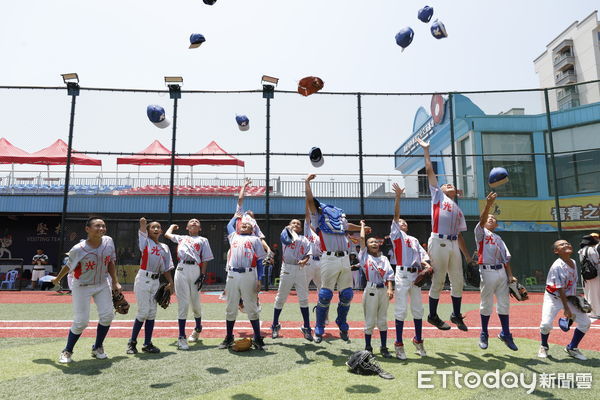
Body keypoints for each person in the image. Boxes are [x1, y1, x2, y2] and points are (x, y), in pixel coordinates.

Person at [416, 138, 472, 331]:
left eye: (451, 185)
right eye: (446, 184)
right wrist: (426, 150)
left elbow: (460, 235)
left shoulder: (458, 210)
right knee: (439, 280)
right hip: (438, 240)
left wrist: (467, 256)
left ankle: (456, 314)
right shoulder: (438, 196)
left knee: (458, 281)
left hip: (453, 244)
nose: (448, 185)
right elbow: (430, 169)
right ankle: (432, 315)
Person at [51, 217, 122, 363]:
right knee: (81, 322)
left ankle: (97, 347)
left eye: (103, 226)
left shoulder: (108, 241)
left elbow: (110, 262)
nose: (101, 228)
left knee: (107, 316)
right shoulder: (78, 249)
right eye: (97, 226)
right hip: (82, 286)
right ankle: (67, 351)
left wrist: (115, 282)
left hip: (102, 283)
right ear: (87, 229)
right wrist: (57, 279)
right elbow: (69, 266)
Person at [305, 174, 366, 343]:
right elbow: (310, 201)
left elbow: (348, 226)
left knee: (346, 294)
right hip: (329, 258)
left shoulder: (339, 221)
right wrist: (307, 183)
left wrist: (362, 227)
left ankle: (341, 321)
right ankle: (319, 326)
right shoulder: (318, 219)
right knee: (325, 294)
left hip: (344, 258)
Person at [390, 184, 431, 360]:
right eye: (400, 222)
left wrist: (428, 266)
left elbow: (423, 258)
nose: (402, 223)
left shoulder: (413, 239)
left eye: (404, 222)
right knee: (400, 310)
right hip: (401, 274)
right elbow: (396, 215)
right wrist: (398, 197)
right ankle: (398, 344)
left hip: (415, 275)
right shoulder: (397, 236)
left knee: (418, 310)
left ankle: (418, 340)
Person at [475, 192, 518, 351]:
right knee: (486, 304)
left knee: (504, 304)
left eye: (494, 218)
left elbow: (506, 259)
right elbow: (481, 220)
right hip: (486, 271)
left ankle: (506, 334)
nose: (491, 219)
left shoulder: (499, 238)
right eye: (489, 218)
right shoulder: (480, 233)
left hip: (501, 272)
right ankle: (484, 333)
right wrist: (487, 205)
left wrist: (510, 275)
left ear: (496, 224)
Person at [126, 218, 175, 355]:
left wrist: (171, 282)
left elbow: (166, 268)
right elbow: (141, 232)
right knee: (143, 312)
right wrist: (143, 223)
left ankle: (147, 344)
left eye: (158, 227)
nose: (155, 229)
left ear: (161, 231)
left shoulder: (164, 247)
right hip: (143, 278)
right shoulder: (145, 242)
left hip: (155, 281)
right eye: (152, 227)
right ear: (148, 231)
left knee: (152, 313)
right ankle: (132, 343)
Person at [219, 213, 267, 350]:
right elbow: (229, 225)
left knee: (251, 307)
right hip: (233, 274)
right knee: (230, 307)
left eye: (248, 224)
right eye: (242, 224)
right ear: (238, 227)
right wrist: (235, 216)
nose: (245, 224)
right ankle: (229, 337)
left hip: (249, 274)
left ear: (252, 229)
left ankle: (257, 338)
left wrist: (260, 279)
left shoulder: (255, 239)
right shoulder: (233, 236)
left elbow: (259, 261)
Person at [165, 218, 214, 350]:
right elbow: (167, 235)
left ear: (200, 228)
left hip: (195, 270)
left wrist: (202, 275)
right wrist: (171, 226)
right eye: (191, 221)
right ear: (187, 227)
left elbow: (205, 259)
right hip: (181, 269)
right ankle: (181, 337)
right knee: (183, 304)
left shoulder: (203, 240)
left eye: (197, 222)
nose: (194, 222)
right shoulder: (181, 238)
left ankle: (198, 327)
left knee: (196, 305)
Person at [538, 239, 591, 360]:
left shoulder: (572, 261)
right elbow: (560, 289)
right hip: (553, 297)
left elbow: (571, 285)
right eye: (562, 244)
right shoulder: (557, 266)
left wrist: (577, 300)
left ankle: (572, 348)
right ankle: (544, 346)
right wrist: (567, 310)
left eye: (567, 243)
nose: (566, 245)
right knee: (546, 324)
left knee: (585, 323)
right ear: (556, 251)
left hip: (567, 297)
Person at [271, 219, 313, 341]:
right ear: (289, 225)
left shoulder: (304, 239)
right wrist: (287, 228)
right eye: (293, 223)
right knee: (280, 298)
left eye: (298, 224)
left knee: (304, 299)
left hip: (300, 269)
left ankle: (306, 327)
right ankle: (274, 325)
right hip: (287, 268)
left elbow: (308, 254)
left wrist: (304, 260)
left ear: (301, 228)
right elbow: (285, 237)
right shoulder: (286, 234)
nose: (295, 225)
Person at [359, 219, 394, 358]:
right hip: (371, 289)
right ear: (367, 246)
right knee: (370, 321)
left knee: (382, 320)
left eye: (376, 242)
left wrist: (390, 289)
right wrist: (362, 226)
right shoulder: (364, 257)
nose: (374, 243)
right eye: (371, 242)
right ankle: (368, 347)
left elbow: (390, 275)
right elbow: (362, 238)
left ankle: (384, 347)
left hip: (383, 290)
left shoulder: (384, 259)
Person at [304, 195, 323, 293]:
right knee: (304, 285)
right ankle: (304, 307)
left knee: (322, 286)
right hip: (309, 260)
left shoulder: (322, 234)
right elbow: (307, 217)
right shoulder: (307, 230)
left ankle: (321, 307)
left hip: (320, 261)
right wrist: (307, 202)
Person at [578, 233, 600, 319]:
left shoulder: (581, 250)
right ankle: (597, 312)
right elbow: (596, 263)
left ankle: (590, 311)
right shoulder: (591, 250)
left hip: (585, 273)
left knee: (588, 293)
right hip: (594, 274)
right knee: (595, 293)